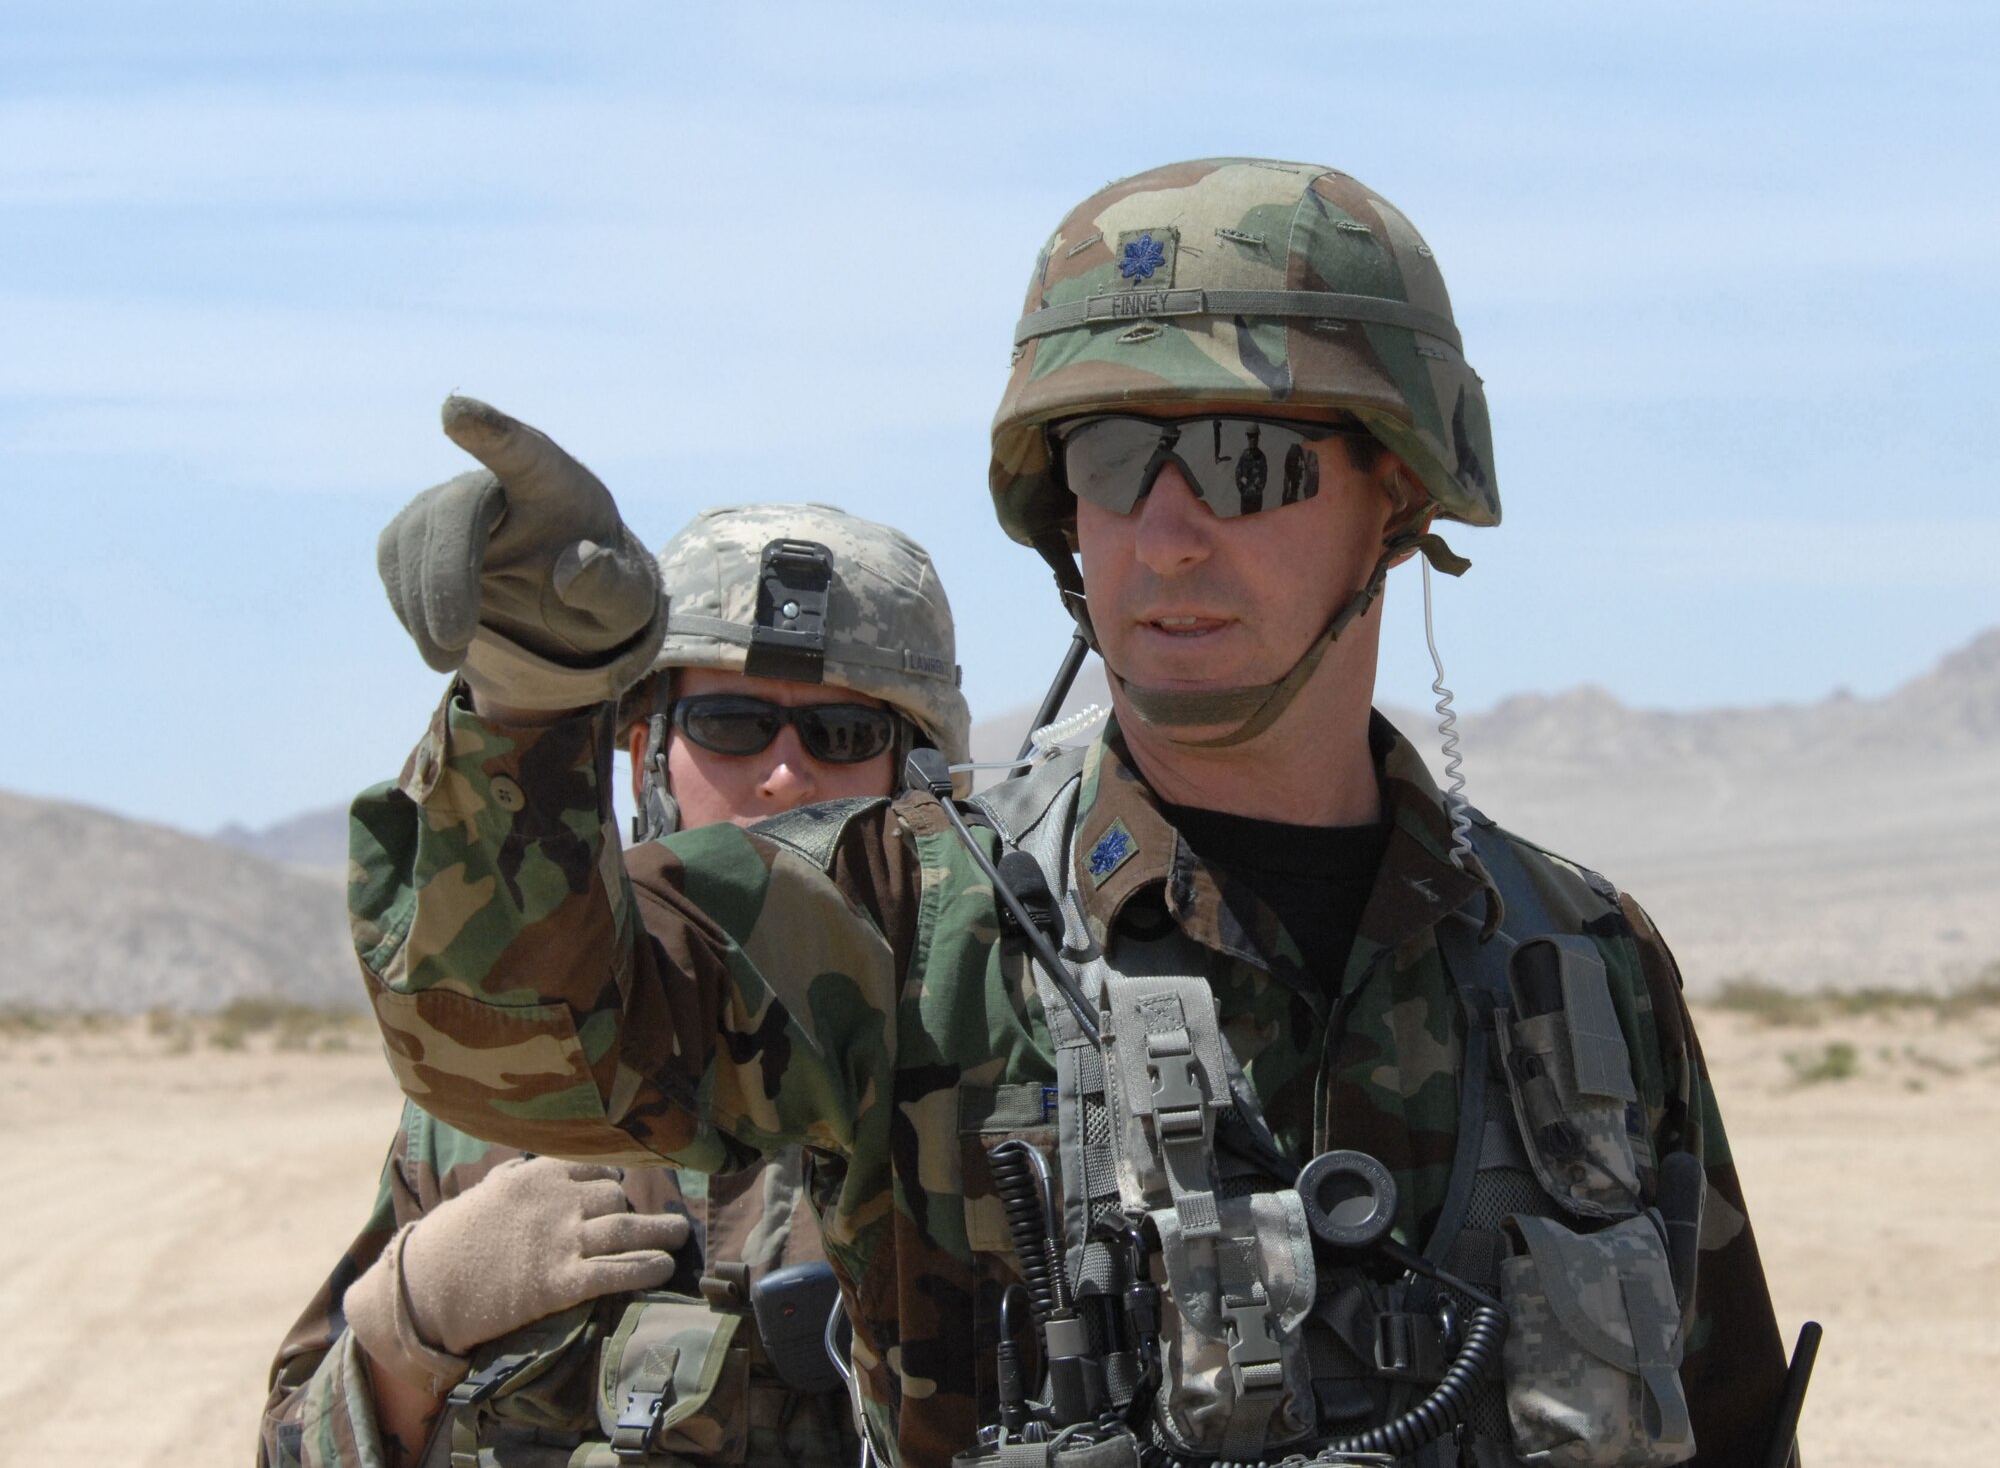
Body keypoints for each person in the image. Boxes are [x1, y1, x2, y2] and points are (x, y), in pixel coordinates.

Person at [342, 159, 1793, 1468]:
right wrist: (532, 707)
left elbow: (1726, 1423)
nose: (1166, 533)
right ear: (1060, 511)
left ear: (1397, 496)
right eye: (1110, 461)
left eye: (1245, 460)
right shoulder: (899, 924)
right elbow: (518, 1047)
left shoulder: (1579, 966)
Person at [260, 502, 972, 1468]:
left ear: (919, 774)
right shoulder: (509, 1095)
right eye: (732, 722)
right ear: (646, 756)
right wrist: (406, 1334)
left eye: (843, 733)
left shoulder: (983, 1087)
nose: (783, 775)